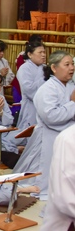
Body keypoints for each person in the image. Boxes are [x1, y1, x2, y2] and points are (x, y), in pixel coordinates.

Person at [31, 51, 75, 200]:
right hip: (50, 136)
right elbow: (51, 116)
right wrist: (72, 104)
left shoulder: (71, 86)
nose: (71, 68)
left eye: (72, 64)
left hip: (69, 136)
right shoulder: (47, 89)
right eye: (67, 64)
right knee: (49, 170)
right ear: (54, 68)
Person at [15, 40, 46, 131]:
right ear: (30, 54)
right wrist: (45, 78)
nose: (43, 55)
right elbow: (28, 90)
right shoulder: (24, 68)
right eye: (40, 52)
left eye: (44, 52)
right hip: (30, 106)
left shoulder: (45, 68)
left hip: (45, 106)